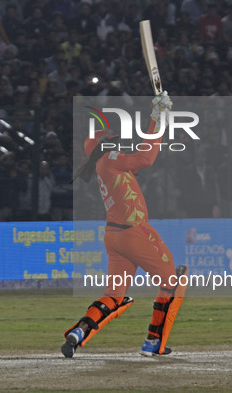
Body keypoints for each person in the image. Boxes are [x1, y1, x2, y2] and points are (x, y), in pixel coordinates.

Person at [61, 92, 188, 358]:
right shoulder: (110, 159)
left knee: (115, 295)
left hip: (114, 238)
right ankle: (154, 343)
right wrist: (158, 120)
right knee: (174, 281)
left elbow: (141, 158)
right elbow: (146, 158)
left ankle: (78, 333)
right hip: (134, 232)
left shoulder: (103, 164)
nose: (119, 143)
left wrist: (158, 116)